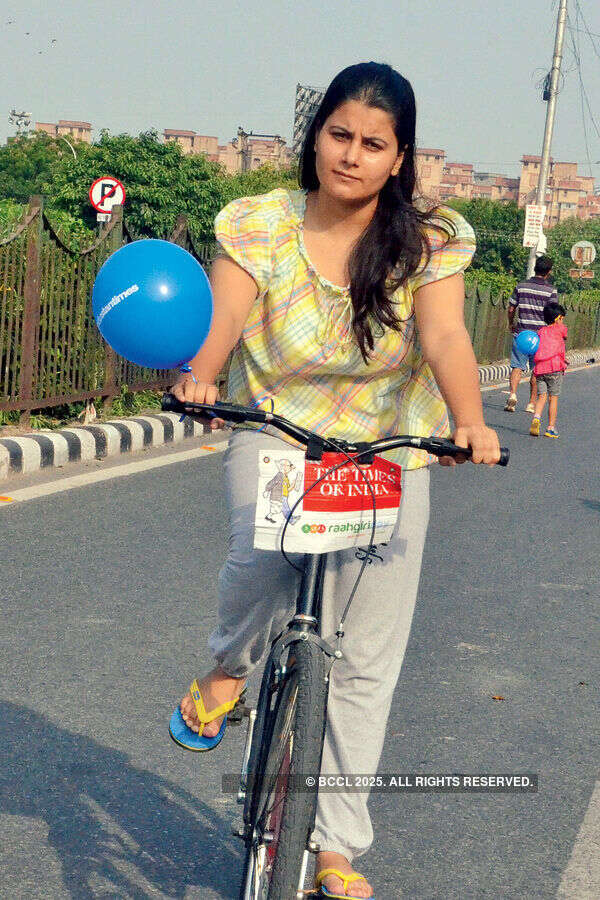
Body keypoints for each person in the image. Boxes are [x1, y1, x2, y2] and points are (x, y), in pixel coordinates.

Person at [170, 62, 500, 899]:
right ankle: (228, 668)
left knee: (366, 663)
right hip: (279, 430)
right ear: (315, 138)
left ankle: (337, 847)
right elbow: (227, 317)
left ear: (400, 158)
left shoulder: (429, 238)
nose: (352, 155)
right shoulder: (260, 223)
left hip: (388, 449)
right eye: (339, 135)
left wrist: (470, 420)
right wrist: (203, 378)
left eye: (373, 144)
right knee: (260, 555)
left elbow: (446, 336)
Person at [504, 255, 558, 413]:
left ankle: (513, 394)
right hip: (540, 337)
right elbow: (553, 315)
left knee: (516, 367)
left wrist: (511, 323)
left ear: (535, 269)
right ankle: (531, 403)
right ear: (549, 272)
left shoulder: (521, 286)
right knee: (537, 370)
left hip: (521, 334)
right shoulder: (551, 291)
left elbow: (511, 308)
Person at [529, 302, 567, 438]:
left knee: (542, 397)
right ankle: (550, 428)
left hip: (540, 369)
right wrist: (559, 324)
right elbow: (564, 334)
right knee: (553, 398)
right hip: (555, 368)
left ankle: (536, 418)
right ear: (558, 318)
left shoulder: (541, 331)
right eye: (562, 318)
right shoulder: (560, 329)